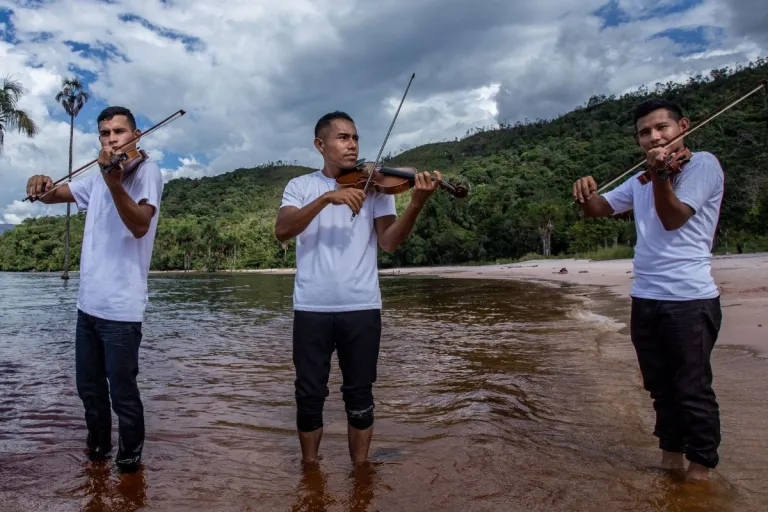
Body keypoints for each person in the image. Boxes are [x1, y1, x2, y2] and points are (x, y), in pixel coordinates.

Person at [275, 111, 441, 465]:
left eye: (355, 138)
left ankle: (361, 474)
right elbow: (283, 229)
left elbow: (390, 243)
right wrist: (325, 199)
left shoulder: (377, 187)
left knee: (360, 395)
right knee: (308, 395)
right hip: (311, 308)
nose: (352, 145)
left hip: (362, 307)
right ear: (320, 145)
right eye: (343, 137)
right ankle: (310, 473)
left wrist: (415, 204)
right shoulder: (301, 186)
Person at [572, 98, 724, 482]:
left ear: (682, 127)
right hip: (646, 297)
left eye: (662, 128)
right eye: (645, 132)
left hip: (689, 298)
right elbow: (597, 210)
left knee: (692, 389)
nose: (654, 137)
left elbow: (673, 219)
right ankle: (670, 464)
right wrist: (584, 192)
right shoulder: (642, 178)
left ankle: (701, 474)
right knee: (660, 388)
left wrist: (659, 177)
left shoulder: (701, 165)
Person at [25, 106, 164, 473]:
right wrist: (41, 183)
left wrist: (114, 184)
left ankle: (130, 467)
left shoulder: (146, 171)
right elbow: (55, 195)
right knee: (89, 390)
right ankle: (97, 460)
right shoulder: (96, 175)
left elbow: (139, 225)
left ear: (137, 135)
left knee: (123, 395)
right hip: (88, 306)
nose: (113, 138)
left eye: (120, 131)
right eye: (105, 133)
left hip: (121, 309)